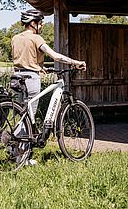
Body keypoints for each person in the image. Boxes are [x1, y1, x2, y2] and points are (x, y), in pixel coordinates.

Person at [11, 9, 86, 165]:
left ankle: (18, 152)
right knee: (29, 117)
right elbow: (55, 56)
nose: (42, 25)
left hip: (17, 78)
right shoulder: (36, 38)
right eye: (40, 22)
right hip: (31, 79)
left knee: (23, 116)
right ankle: (19, 156)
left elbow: (24, 59)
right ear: (33, 23)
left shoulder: (15, 38)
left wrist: (39, 67)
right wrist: (75, 62)